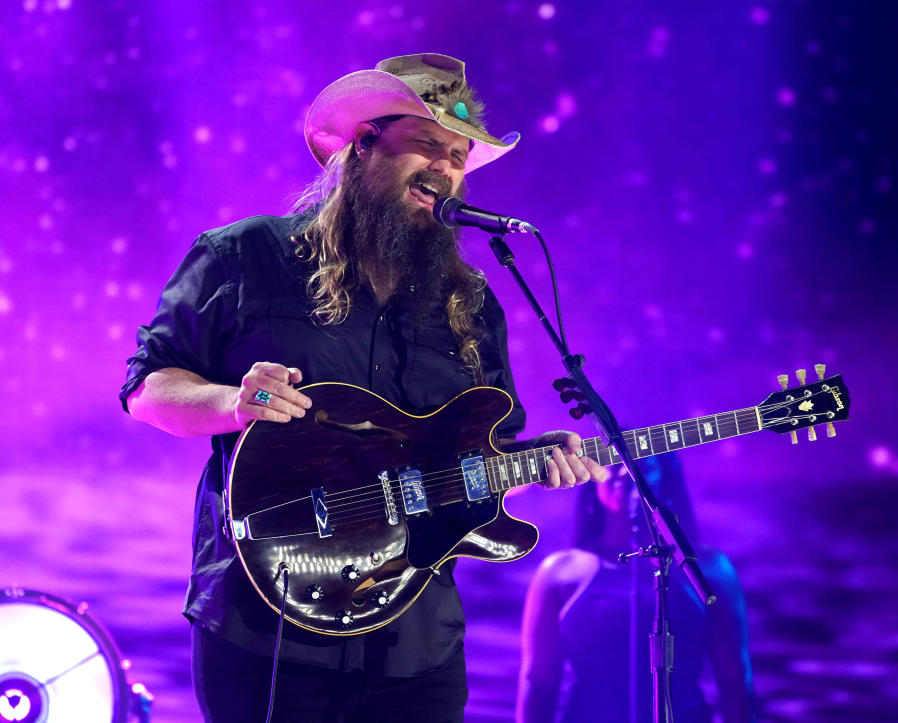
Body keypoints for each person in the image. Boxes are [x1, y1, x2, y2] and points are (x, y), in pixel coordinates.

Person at [119, 53, 608, 722]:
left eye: (459, 155)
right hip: (269, 626)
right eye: (427, 144)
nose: (445, 167)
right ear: (363, 145)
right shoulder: (244, 257)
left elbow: (477, 461)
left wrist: (538, 460)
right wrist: (232, 402)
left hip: (417, 643)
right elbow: (147, 387)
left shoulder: (471, 302)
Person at [517, 455, 757, 722]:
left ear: (666, 479)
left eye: (640, 464)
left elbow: (734, 679)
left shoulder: (710, 569)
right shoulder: (559, 573)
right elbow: (539, 682)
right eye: (611, 463)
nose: (624, 472)